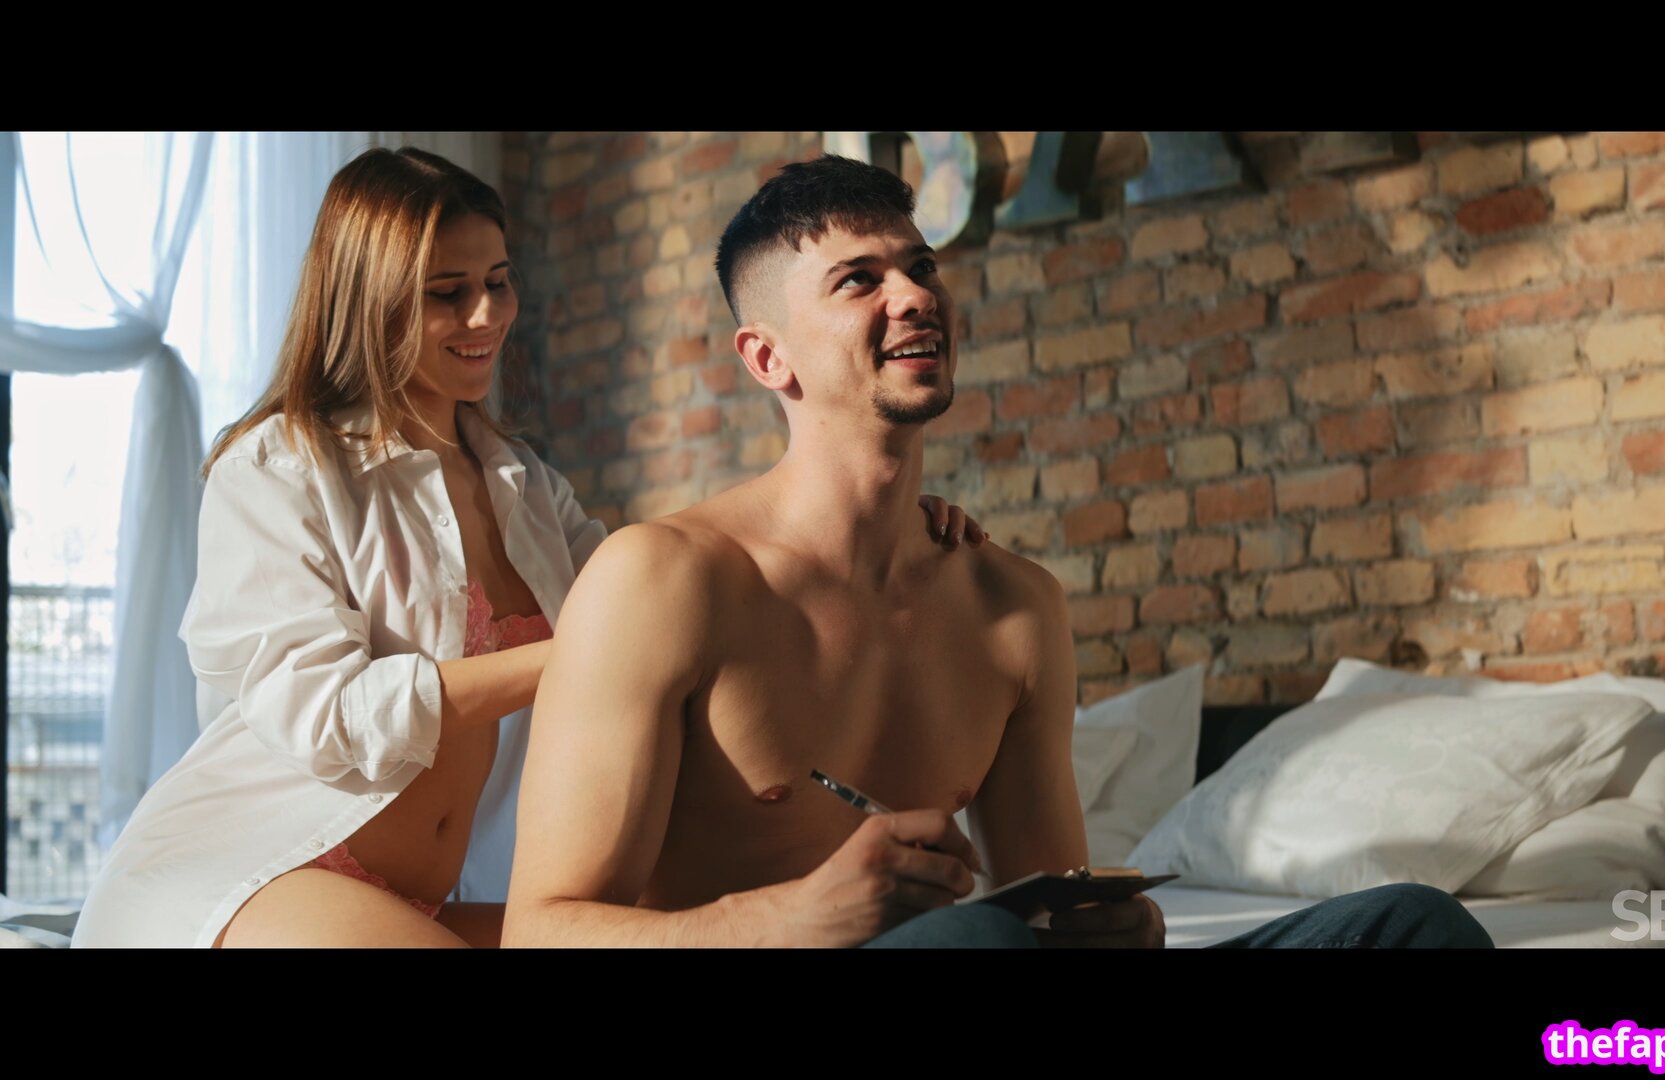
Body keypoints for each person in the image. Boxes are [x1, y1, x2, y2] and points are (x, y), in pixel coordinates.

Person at [502, 154, 1494, 949]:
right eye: (860, 280)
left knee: (1412, 924)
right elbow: (539, 932)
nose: (913, 295)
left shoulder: (1011, 605)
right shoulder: (662, 580)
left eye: (921, 267)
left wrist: (1115, 926)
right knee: (973, 937)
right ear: (769, 357)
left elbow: (1046, 904)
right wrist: (794, 920)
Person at [72, 147, 983, 948]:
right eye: (447, 293)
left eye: (498, 281)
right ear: (370, 300)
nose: (486, 315)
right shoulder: (281, 465)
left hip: (423, 898)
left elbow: (676, 587)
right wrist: (587, 656)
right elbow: (326, 713)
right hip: (254, 870)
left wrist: (880, 527)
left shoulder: (527, 487)